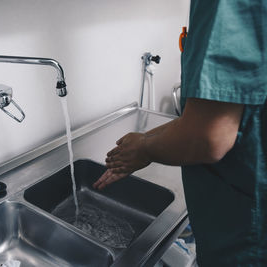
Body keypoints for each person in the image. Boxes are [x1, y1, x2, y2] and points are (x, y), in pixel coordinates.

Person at [93, 1, 267, 266]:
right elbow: (222, 116)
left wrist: (143, 148)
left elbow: (209, 136)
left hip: (245, 235)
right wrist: (144, 143)